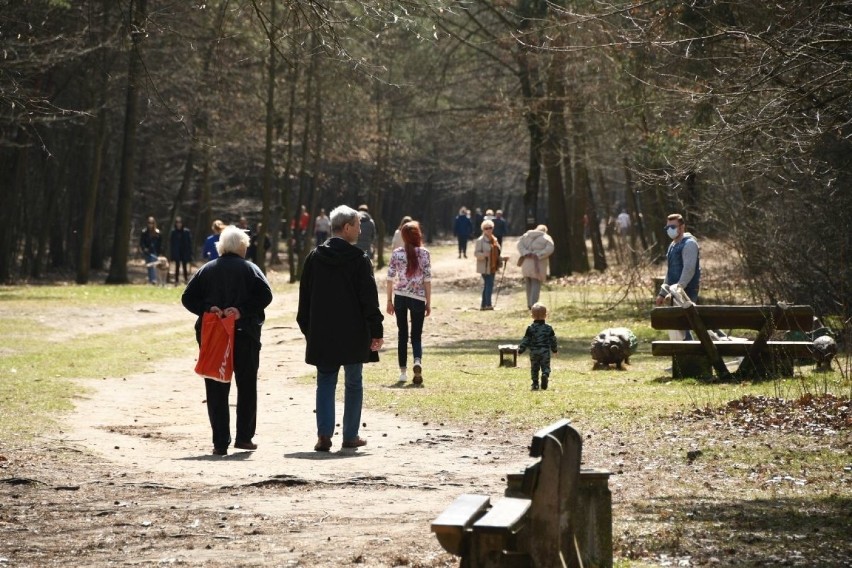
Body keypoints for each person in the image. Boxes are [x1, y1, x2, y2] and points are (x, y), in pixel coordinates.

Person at [297, 205, 384, 452]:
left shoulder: (314, 257)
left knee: (325, 381)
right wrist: (376, 330)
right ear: (346, 228)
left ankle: (324, 435)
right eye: (357, 224)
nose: (360, 229)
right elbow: (369, 299)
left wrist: (308, 329)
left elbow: (304, 299)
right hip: (354, 332)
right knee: (354, 382)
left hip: (322, 332)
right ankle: (350, 435)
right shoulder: (359, 259)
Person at [181, 225, 273, 456]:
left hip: (213, 335)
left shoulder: (207, 269)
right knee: (247, 385)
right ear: (242, 247)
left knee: (216, 386)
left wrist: (207, 309)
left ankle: (220, 443)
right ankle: (244, 438)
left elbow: (187, 298)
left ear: (221, 247)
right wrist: (241, 311)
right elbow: (266, 296)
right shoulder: (251, 269)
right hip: (245, 334)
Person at [386, 221, 431, 386]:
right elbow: (427, 280)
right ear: (418, 235)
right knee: (416, 335)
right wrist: (429, 302)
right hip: (418, 297)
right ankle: (417, 360)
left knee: (402, 334)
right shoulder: (425, 253)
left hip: (400, 297)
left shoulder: (397, 253)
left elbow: (390, 279)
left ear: (403, 236)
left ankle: (403, 372)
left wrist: (389, 301)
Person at [655, 213, 700, 305]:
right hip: (673, 292)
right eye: (667, 228)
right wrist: (662, 293)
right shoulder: (672, 245)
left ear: (682, 227)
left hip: (686, 291)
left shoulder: (689, 244)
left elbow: (689, 269)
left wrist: (678, 290)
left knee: (685, 318)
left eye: (673, 226)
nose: (670, 230)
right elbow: (670, 271)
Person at [517, 303, 558, 391]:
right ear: (546, 315)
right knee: (546, 366)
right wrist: (554, 350)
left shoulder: (530, 328)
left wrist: (521, 350)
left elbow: (526, 340)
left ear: (532, 316)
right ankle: (545, 375)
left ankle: (535, 384)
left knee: (534, 368)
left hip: (534, 352)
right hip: (545, 352)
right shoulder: (548, 328)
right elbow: (553, 340)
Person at [517, 224, 555, 309]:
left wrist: (525, 253)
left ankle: (529, 304)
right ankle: (533, 304)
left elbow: (519, 245)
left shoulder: (526, 235)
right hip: (537, 263)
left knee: (528, 283)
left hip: (526, 263)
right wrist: (539, 254)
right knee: (536, 283)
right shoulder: (546, 237)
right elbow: (550, 248)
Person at [474, 219, 501, 310]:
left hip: (493, 266)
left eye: (490, 228)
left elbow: (497, 252)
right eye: (486, 228)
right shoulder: (480, 240)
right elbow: (476, 254)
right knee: (488, 284)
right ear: (483, 229)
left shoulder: (494, 239)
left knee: (487, 285)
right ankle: (488, 305)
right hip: (484, 267)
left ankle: (483, 305)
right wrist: (483, 255)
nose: (489, 230)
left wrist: (503, 258)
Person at [169, 216, 193, 284]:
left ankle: (186, 279)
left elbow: (189, 243)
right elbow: (172, 243)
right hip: (177, 251)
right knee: (177, 266)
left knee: (185, 266)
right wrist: (172, 253)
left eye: (180, 222)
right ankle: (176, 280)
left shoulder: (186, 231)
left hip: (185, 251)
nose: (179, 224)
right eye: (177, 222)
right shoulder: (173, 232)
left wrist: (190, 252)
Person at [139, 216, 162, 285]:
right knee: (149, 266)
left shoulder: (157, 232)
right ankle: (151, 280)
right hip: (147, 252)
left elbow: (160, 243)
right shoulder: (144, 232)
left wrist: (159, 252)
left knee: (153, 266)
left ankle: (153, 280)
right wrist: (144, 248)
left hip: (154, 252)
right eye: (149, 223)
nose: (150, 224)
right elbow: (141, 242)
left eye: (152, 223)